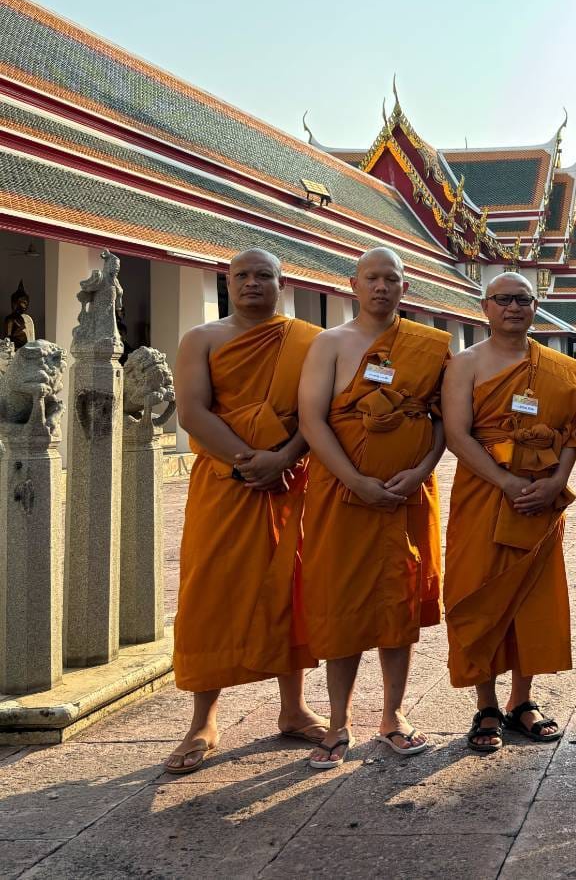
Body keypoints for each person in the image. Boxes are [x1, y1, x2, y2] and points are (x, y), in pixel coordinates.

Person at [164, 249, 327, 774]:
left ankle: (294, 708)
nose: (252, 283)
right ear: (227, 283)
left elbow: (318, 412)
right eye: (242, 276)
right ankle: (203, 720)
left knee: (289, 588)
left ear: (282, 283)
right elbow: (192, 411)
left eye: (263, 276)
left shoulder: (308, 341)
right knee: (208, 591)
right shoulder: (201, 339)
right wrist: (249, 462)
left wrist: (284, 457)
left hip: (288, 480)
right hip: (222, 483)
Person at [297, 247, 449, 769]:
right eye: (372, 278)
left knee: (397, 600)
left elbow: (441, 420)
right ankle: (337, 722)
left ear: (405, 287)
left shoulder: (427, 346)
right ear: (354, 285)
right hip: (342, 495)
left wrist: (423, 468)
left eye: (391, 279)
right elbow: (312, 420)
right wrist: (355, 479)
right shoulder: (330, 344)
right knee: (341, 602)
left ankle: (393, 715)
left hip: (406, 495)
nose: (381, 287)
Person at [443, 272, 576, 753]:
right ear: (485, 307)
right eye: (503, 299)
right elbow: (457, 434)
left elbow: (573, 431)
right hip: (484, 492)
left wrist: (557, 481)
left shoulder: (562, 369)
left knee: (531, 597)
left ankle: (522, 700)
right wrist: (503, 480)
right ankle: (486, 704)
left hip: (540, 494)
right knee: (478, 589)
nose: (514, 307)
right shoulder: (464, 364)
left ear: (535, 307)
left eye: (523, 299)